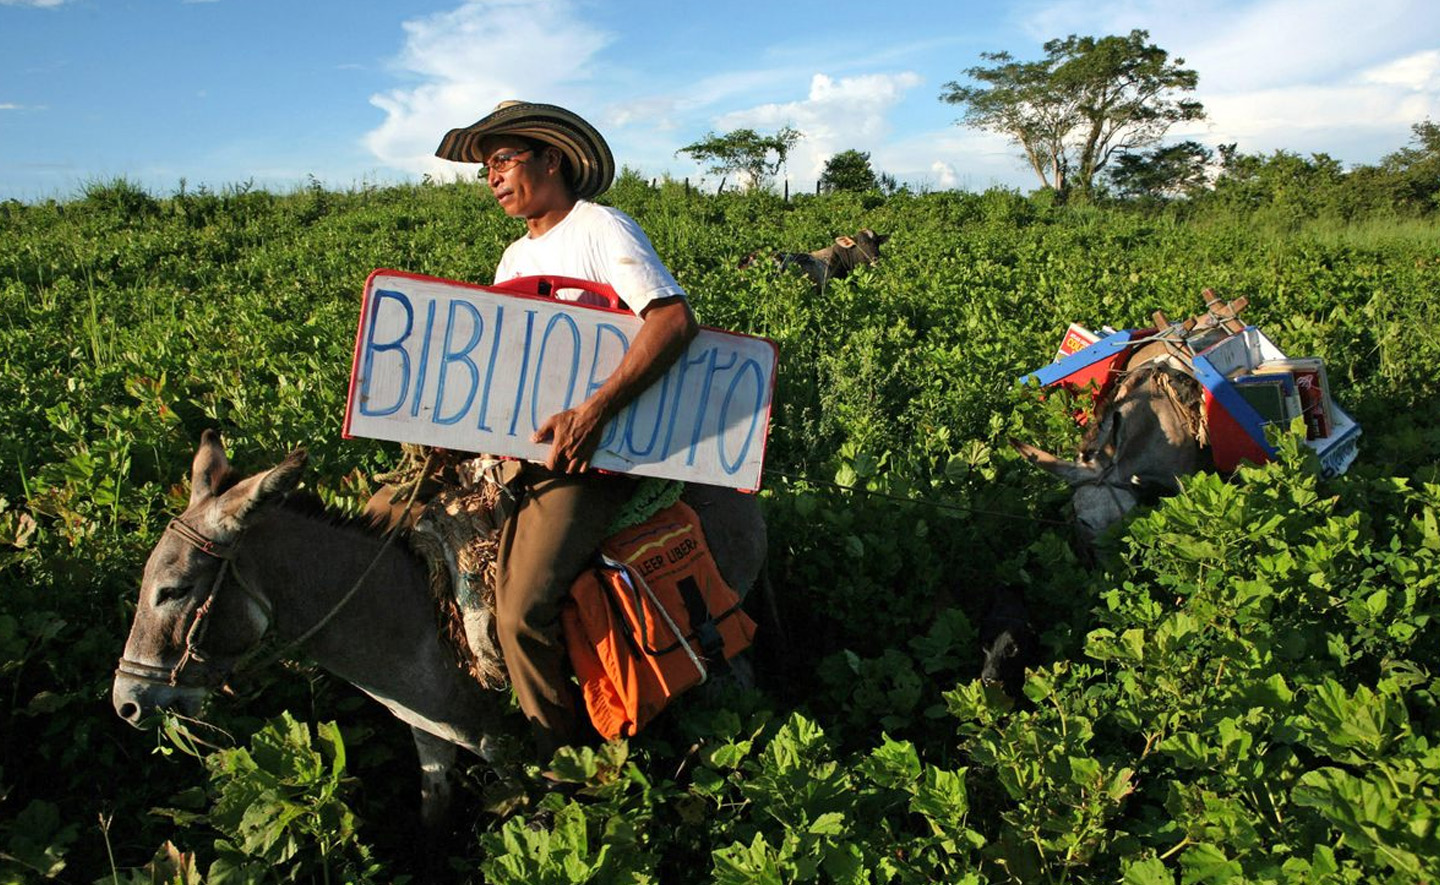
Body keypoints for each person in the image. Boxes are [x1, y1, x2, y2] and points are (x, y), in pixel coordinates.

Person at [433, 101, 698, 761]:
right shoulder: (511, 258)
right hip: (529, 450)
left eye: (502, 160)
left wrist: (595, 410)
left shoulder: (601, 229)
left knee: (520, 613)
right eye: (485, 169)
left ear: (550, 158)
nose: (492, 178)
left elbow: (672, 320)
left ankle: (566, 764)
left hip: (596, 455)